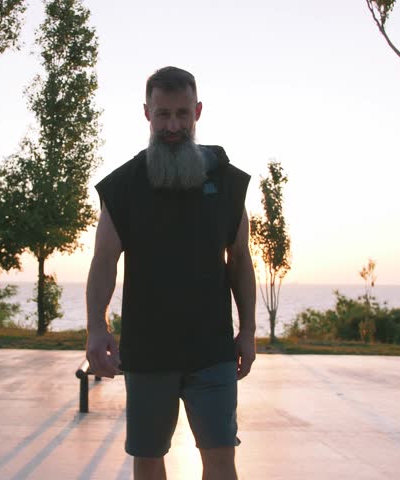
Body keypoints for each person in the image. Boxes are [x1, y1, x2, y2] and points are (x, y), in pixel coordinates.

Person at [85, 66, 256, 480]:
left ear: (197, 112)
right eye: (163, 114)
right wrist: (96, 327)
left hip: (213, 351)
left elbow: (240, 260)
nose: (173, 125)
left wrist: (248, 331)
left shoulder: (228, 184)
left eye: (182, 113)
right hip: (147, 353)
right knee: (148, 458)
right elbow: (104, 260)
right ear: (147, 113)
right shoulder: (123, 186)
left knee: (220, 457)